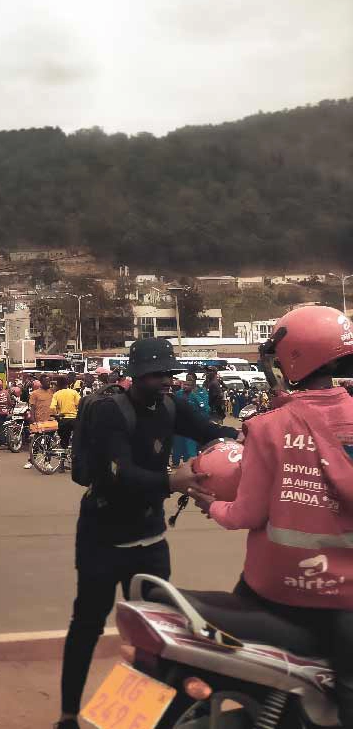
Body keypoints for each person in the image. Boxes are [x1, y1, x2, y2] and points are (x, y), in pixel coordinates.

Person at [55, 338, 236, 729]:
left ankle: (140, 718)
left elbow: (209, 430)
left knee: (158, 633)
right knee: (87, 623)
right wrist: (174, 481)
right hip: (102, 537)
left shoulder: (170, 404)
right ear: (135, 376)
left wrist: (242, 437)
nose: (165, 381)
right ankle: (69, 714)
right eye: (156, 374)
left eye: (168, 372)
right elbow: (118, 474)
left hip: (150, 537)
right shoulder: (110, 412)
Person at [185, 306, 353, 725]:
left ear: (292, 356)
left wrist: (211, 505)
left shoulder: (266, 427)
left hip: (271, 589)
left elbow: (245, 513)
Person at [170, 373, 207, 467]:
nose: (185, 386)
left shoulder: (195, 396)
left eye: (188, 385)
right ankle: (175, 463)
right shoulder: (178, 394)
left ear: (192, 386)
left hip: (191, 424)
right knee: (177, 445)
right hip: (179, 424)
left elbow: (204, 409)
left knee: (190, 445)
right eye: (184, 384)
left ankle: (189, 463)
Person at [23, 379, 55, 469]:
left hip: (50, 421)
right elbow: (32, 408)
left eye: (49, 381)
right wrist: (33, 420)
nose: (49, 383)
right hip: (39, 422)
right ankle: (31, 461)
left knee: (49, 443)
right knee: (36, 443)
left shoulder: (52, 391)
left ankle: (47, 462)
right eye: (47, 381)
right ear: (41, 382)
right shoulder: (35, 393)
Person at [51, 375, 81, 451]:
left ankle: (63, 456)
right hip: (74, 419)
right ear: (67, 384)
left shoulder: (56, 394)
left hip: (63, 420)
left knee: (64, 441)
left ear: (58, 385)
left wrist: (57, 415)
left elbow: (52, 407)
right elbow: (80, 404)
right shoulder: (74, 392)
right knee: (77, 438)